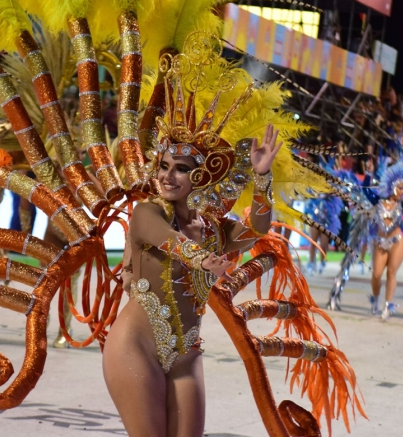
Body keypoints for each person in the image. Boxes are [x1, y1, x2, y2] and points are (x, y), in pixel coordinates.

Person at [102, 124, 281, 436]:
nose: (167, 177)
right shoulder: (147, 213)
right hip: (135, 347)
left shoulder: (214, 229)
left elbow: (257, 228)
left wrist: (262, 177)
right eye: (164, 166)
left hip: (186, 353)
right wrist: (204, 260)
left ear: (200, 177)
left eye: (181, 169)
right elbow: (171, 241)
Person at [363, 161, 403, 320]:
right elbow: (366, 190)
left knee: (391, 273)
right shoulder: (378, 201)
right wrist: (368, 173)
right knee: (377, 274)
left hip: (397, 242)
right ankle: (375, 301)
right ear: (392, 185)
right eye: (400, 188)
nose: (402, 192)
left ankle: (387, 306)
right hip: (380, 241)